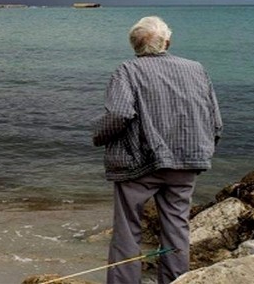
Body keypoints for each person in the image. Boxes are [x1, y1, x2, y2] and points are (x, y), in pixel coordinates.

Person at [92, 16, 222, 284]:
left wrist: (97, 135)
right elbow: (215, 122)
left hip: (139, 165)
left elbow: (119, 114)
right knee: (177, 229)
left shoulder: (127, 70)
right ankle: (176, 281)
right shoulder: (196, 69)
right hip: (187, 161)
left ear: (134, 47)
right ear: (168, 42)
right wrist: (203, 148)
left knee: (127, 231)